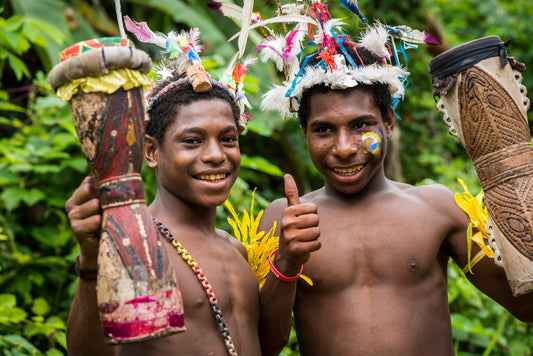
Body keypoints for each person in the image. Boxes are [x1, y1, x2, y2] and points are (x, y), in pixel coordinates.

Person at [255, 14, 533, 356]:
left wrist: (516, 186)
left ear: (388, 123)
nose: (344, 148)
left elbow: (526, 306)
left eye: (361, 125)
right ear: (305, 133)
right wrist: (285, 263)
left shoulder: (436, 207)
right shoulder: (283, 221)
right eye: (324, 130)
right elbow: (266, 344)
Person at [65, 29, 263, 354]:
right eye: (192, 141)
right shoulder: (138, 246)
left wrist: (286, 265)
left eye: (228, 139)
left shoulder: (236, 250)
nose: (216, 155)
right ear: (152, 152)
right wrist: (91, 261)